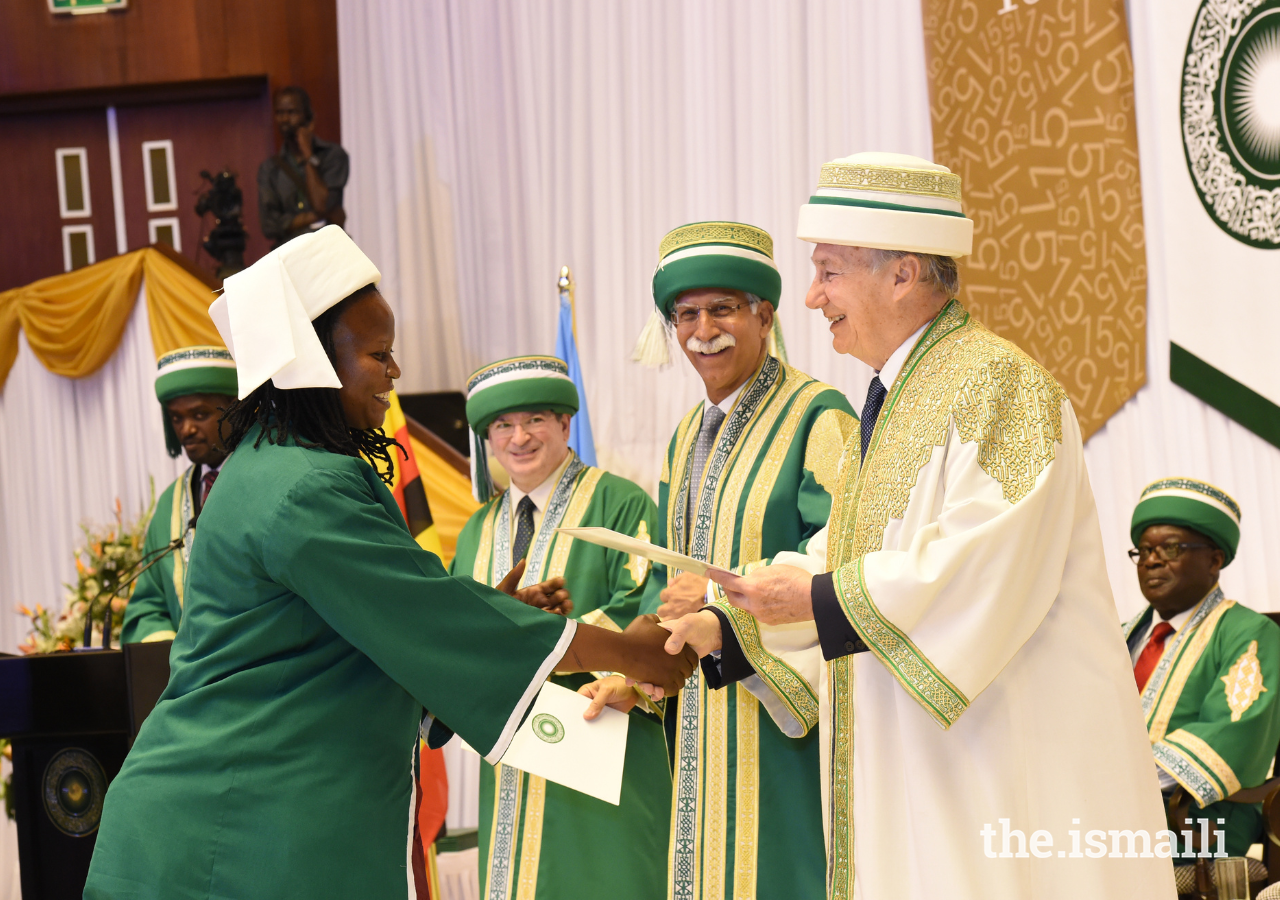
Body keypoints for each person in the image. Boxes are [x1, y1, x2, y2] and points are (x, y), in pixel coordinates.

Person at [84, 226, 696, 900]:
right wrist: (641, 657)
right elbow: (438, 625)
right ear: (314, 361)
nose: (394, 374)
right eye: (379, 354)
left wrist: (489, 618)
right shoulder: (302, 488)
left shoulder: (273, 467)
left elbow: (383, 634)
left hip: (238, 820)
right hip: (233, 834)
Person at [660, 153, 1174, 898]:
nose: (811, 296)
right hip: (935, 771)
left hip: (1003, 772)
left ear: (901, 274)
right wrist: (737, 615)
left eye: (829, 271)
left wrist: (811, 599)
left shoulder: (996, 382)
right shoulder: (895, 397)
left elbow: (979, 566)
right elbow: (847, 555)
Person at [585, 221, 857, 899]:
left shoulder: (819, 418)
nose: (703, 329)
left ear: (764, 314)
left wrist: (727, 622)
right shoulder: (684, 438)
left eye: (723, 308)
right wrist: (646, 677)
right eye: (686, 314)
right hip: (705, 728)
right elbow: (675, 592)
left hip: (788, 728)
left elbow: (845, 566)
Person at [453, 355, 669, 900]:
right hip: (508, 747)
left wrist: (551, 637)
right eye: (502, 425)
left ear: (566, 423)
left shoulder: (620, 502)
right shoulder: (476, 529)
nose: (518, 437)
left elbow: (649, 605)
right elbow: (453, 631)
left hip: (601, 732)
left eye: (535, 420)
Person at [1126, 478, 1280, 857]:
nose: (1151, 560)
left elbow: (1232, 731)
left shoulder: (1249, 633)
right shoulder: (1121, 636)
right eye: (1143, 550)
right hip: (1110, 810)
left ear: (1214, 560)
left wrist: (1119, 778)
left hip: (1199, 822)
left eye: (1171, 548)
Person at [120, 346, 238, 643]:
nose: (186, 430)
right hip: (187, 678)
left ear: (236, 409)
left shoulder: (268, 481)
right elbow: (148, 606)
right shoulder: (170, 504)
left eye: (200, 414)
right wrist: (168, 653)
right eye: (176, 418)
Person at [257, 86, 349, 249]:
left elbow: (323, 204)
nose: (285, 119)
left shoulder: (333, 155)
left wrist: (308, 156)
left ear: (308, 117)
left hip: (329, 249)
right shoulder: (269, 169)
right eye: (279, 113)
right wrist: (314, 217)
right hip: (290, 252)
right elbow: (270, 226)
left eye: (292, 112)